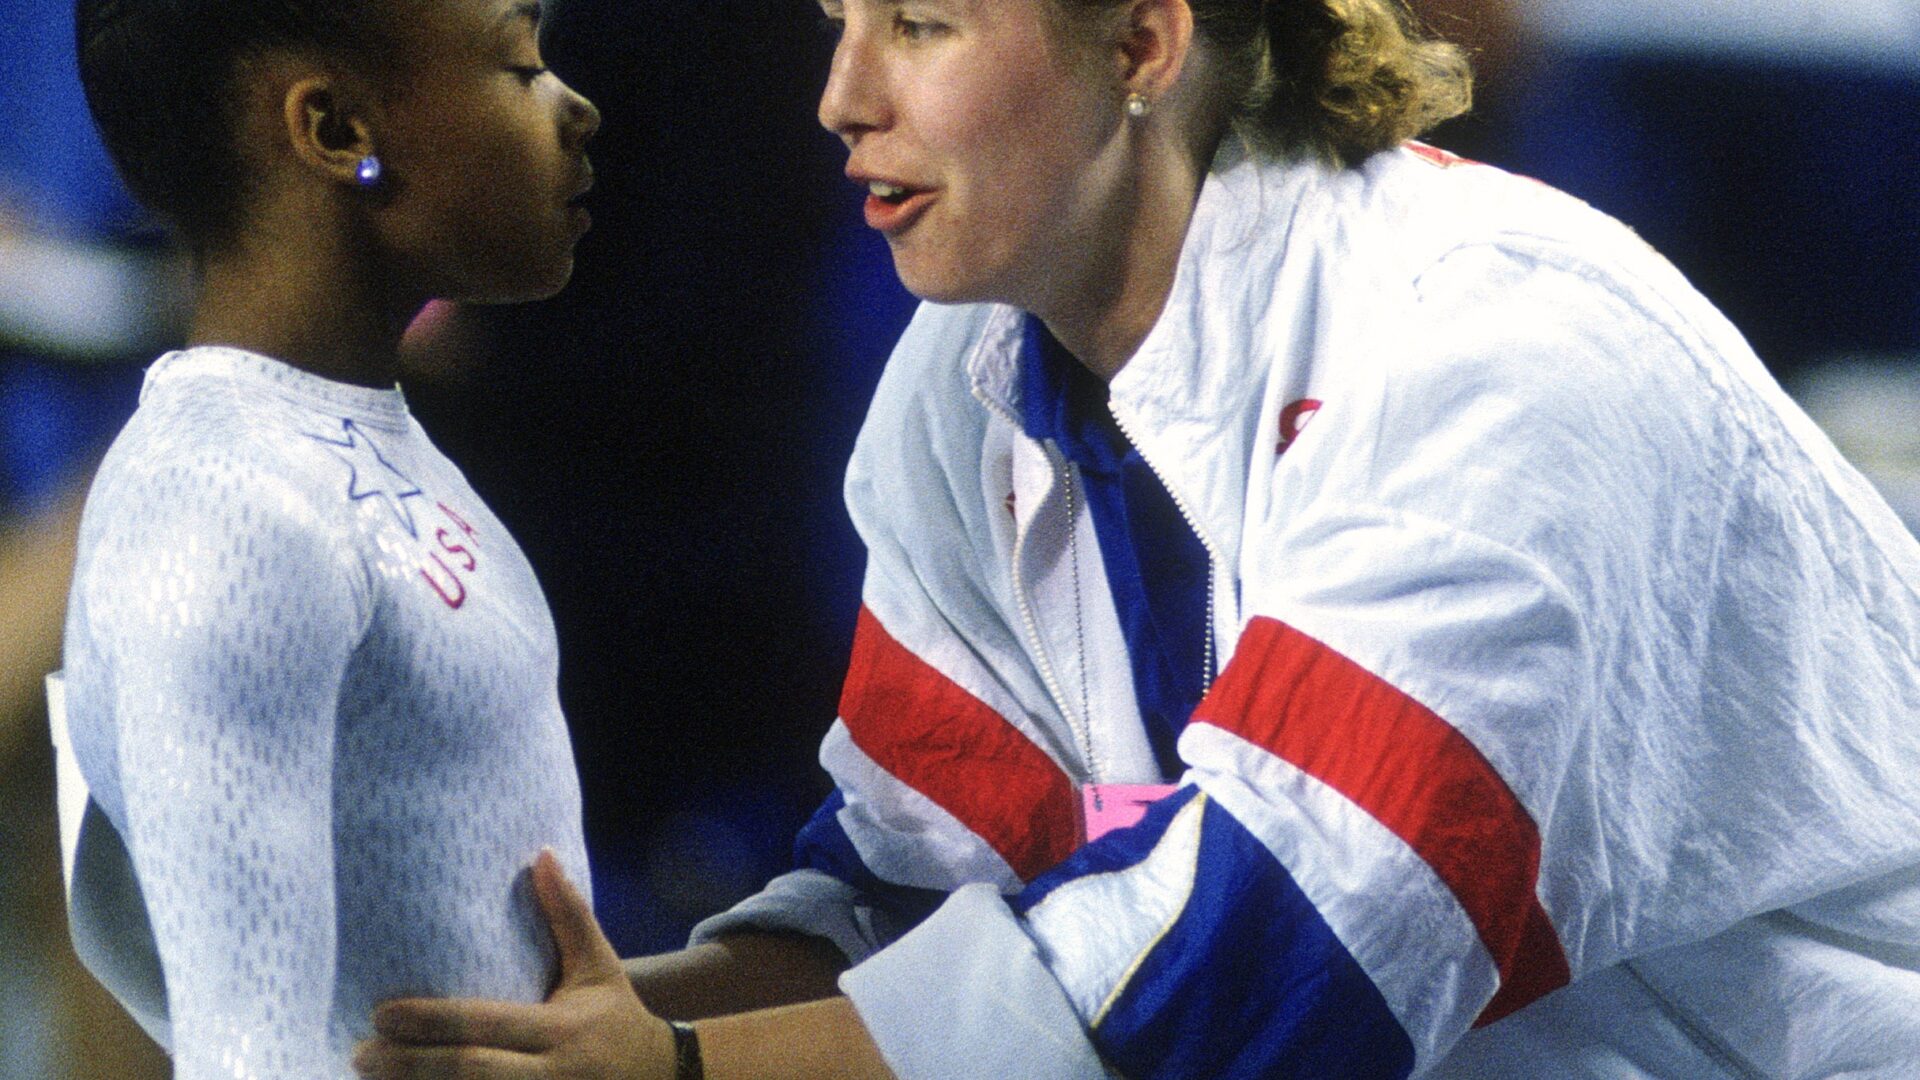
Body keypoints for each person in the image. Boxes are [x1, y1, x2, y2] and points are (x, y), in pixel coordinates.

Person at [356, 0, 1920, 1076]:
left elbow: (1268, 986)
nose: (839, 98)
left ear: (1141, 42)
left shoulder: (1487, 356)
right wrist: (547, 1028)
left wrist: (681, 1067)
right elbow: (911, 903)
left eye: (919, 24)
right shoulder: (966, 381)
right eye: (836, 20)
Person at [54, 0, 602, 1076]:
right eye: (519, 62)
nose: (573, 105)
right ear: (336, 131)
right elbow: (244, 1056)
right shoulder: (225, 506)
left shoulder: (339, 440)